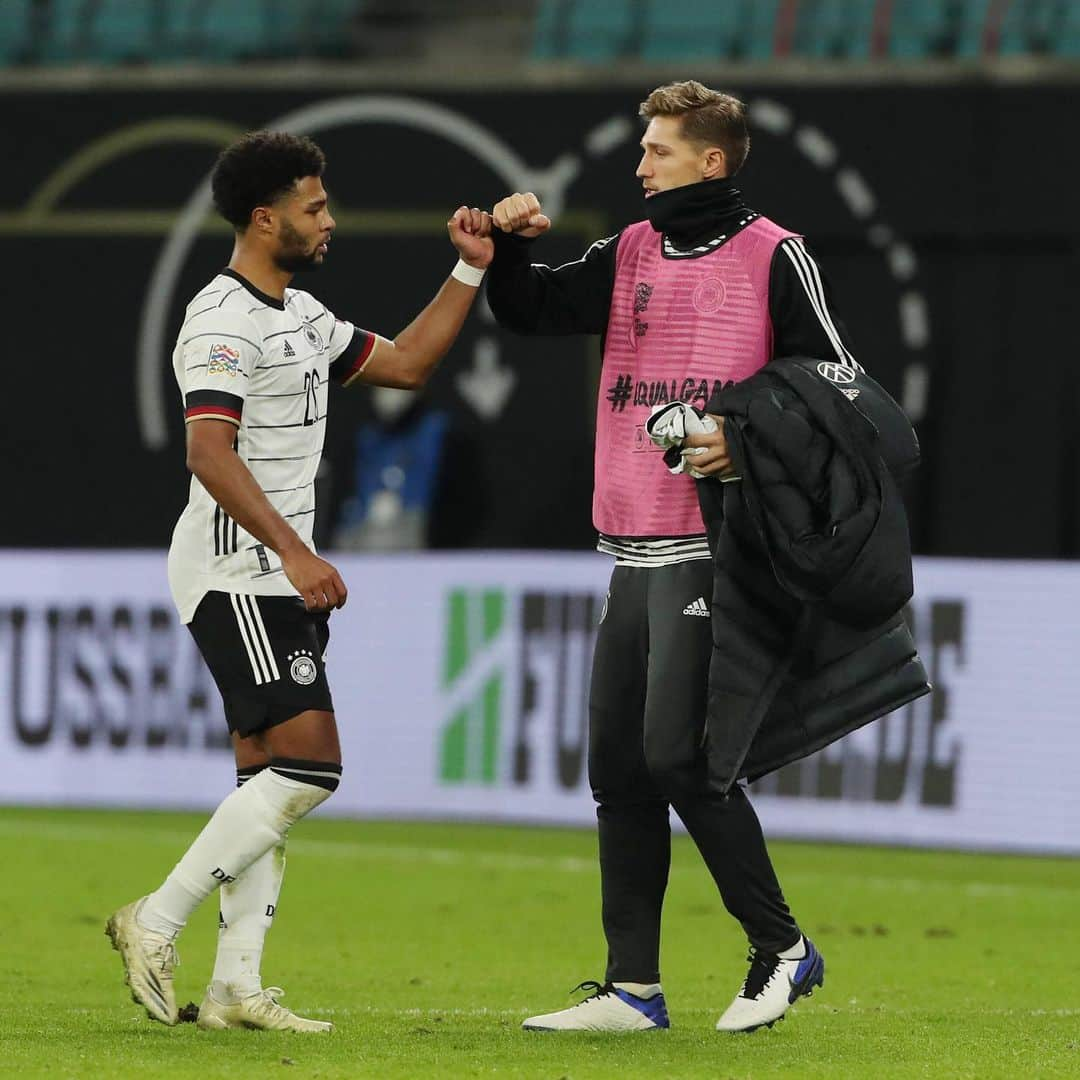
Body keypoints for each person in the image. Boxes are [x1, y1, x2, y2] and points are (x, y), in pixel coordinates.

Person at [482, 81, 858, 1033]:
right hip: (634, 544)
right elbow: (531, 311)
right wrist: (506, 253)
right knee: (618, 767)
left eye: (657, 149)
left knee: (679, 758)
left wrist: (748, 437)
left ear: (713, 160)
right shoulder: (634, 250)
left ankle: (782, 949)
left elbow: (839, 389)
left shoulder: (777, 255)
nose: (639, 163)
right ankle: (633, 991)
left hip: (718, 545)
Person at [106, 131, 493, 1031]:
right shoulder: (220, 321)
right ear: (263, 216)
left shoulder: (300, 315)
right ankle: (153, 922)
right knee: (312, 768)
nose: (330, 220)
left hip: (272, 573)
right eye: (314, 207)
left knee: (265, 782)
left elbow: (406, 365)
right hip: (235, 570)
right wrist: (293, 550)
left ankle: (237, 987)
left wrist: (469, 271)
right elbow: (209, 452)